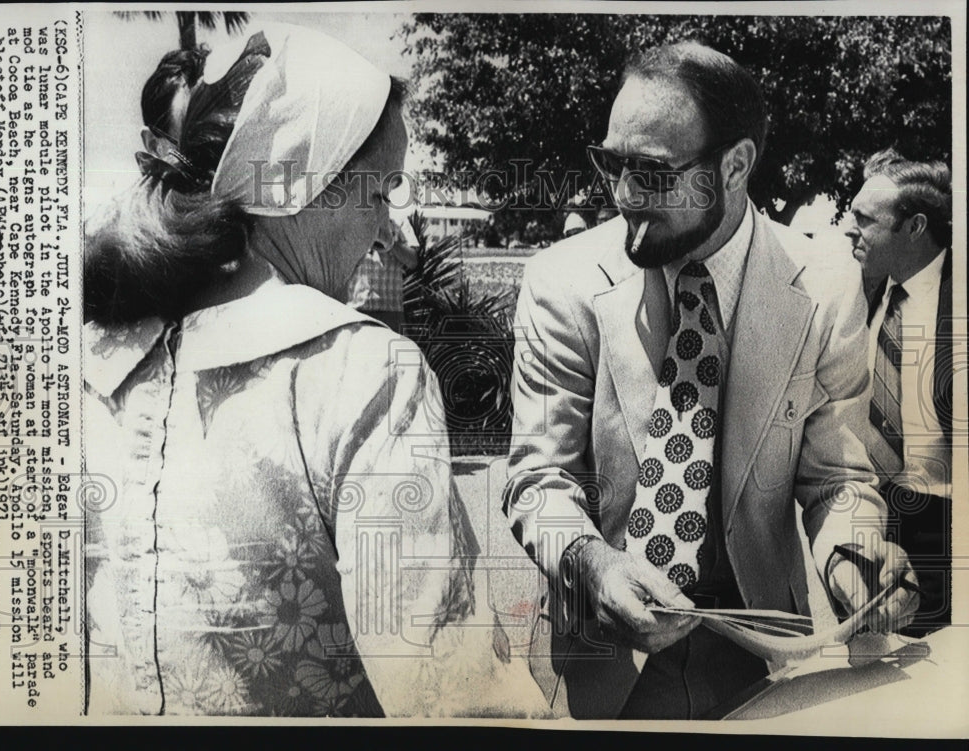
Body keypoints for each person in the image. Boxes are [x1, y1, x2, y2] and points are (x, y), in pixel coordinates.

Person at [502, 41, 919, 720]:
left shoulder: (827, 287)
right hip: (605, 672)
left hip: (771, 663)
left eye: (655, 174)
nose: (625, 195)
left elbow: (836, 477)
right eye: (613, 164)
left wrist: (856, 556)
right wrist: (592, 563)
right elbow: (537, 478)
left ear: (736, 166)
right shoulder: (561, 282)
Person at [83, 26, 482, 717]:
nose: (386, 227)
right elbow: (447, 688)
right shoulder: (364, 371)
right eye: (380, 192)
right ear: (306, 186)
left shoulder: (97, 352)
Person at [846, 148, 953, 636]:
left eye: (865, 220)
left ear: (913, 228)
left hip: (945, 523)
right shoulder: (864, 289)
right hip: (875, 510)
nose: (850, 229)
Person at [345, 220, 418, 332]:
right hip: (356, 310)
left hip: (390, 312)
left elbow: (413, 261)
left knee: (391, 349)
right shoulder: (351, 220)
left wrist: (389, 243)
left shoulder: (401, 222)